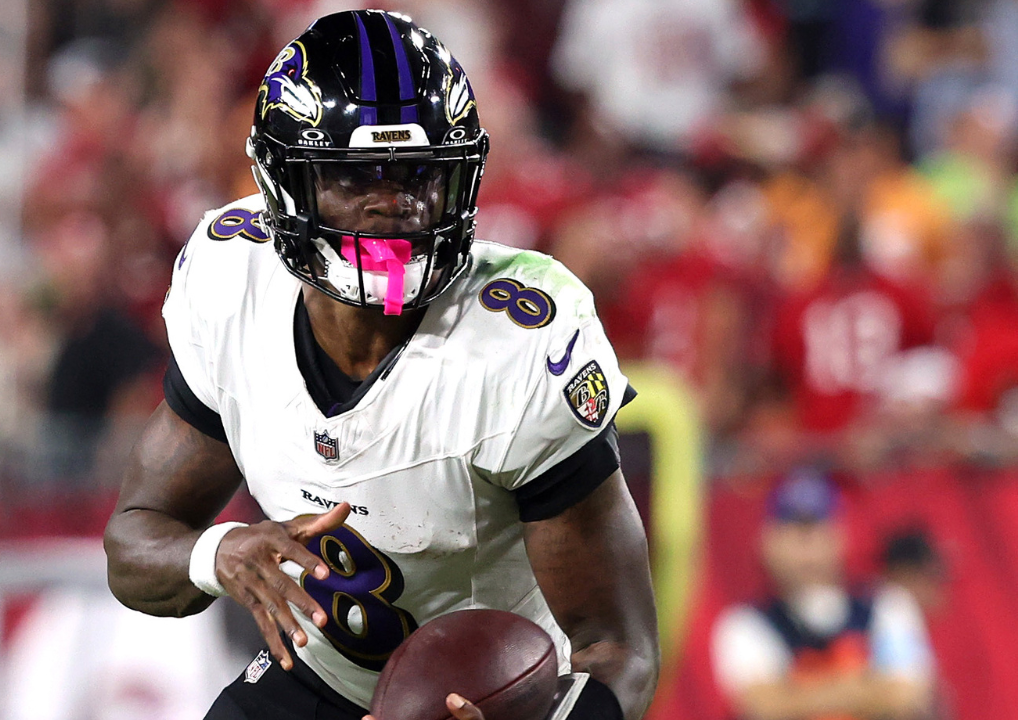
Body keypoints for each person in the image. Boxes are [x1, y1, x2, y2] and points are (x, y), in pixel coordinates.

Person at [104, 10, 659, 720]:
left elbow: (621, 650)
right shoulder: (233, 280)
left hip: (483, 703)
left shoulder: (516, 348)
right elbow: (133, 544)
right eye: (355, 175)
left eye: (419, 174)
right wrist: (221, 555)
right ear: (285, 183)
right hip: (318, 674)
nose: (394, 205)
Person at [711, 470, 935, 720]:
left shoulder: (887, 605)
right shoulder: (745, 623)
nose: (808, 550)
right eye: (795, 534)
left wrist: (799, 696)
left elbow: (906, 695)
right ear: (767, 542)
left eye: (818, 530)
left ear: (841, 536)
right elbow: (764, 706)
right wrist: (863, 688)